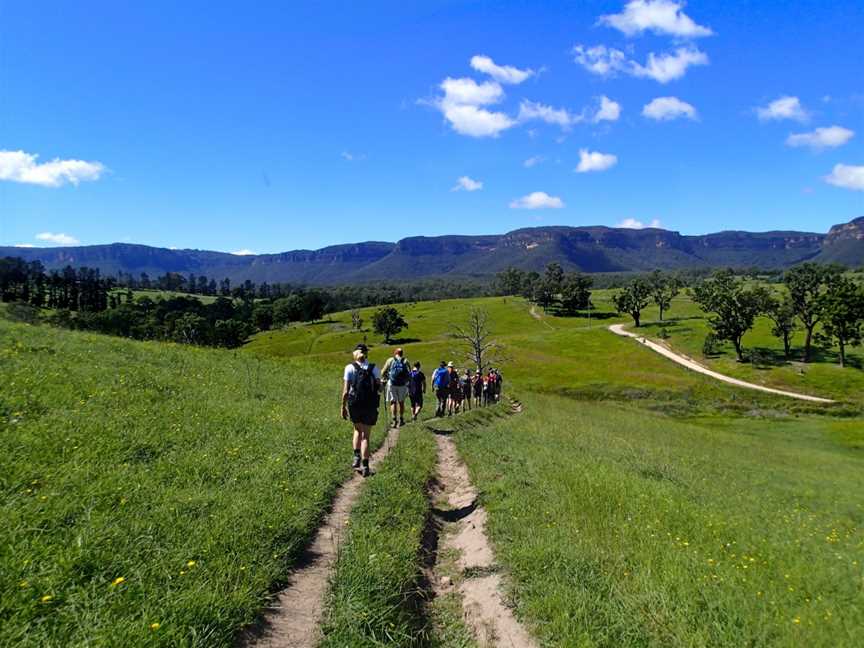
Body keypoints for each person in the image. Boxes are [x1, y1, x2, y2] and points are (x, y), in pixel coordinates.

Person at [341, 344, 381, 478]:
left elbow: (346, 392)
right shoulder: (374, 368)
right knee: (366, 437)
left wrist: (343, 407)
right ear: (366, 354)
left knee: (357, 430)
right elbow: (379, 388)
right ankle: (365, 466)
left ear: (355, 354)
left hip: (354, 404)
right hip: (369, 405)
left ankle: (356, 457)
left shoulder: (349, 368)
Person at [381, 347, 411, 428]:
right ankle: (401, 419)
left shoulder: (390, 360)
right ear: (402, 353)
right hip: (402, 384)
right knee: (401, 402)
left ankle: (394, 420)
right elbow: (409, 373)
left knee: (393, 402)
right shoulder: (405, 361)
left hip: (392, 384)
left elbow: (383, 372)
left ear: (395, 353)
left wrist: (385, 378)